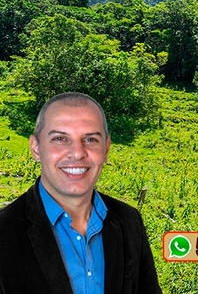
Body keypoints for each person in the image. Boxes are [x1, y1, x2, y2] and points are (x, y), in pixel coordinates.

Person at [0, 92, 162, 294]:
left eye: (91, 139)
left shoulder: (129, 221)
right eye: (60, 138)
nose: (77, 153)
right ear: (36, 148)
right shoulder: (4, 231)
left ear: (106, 148)